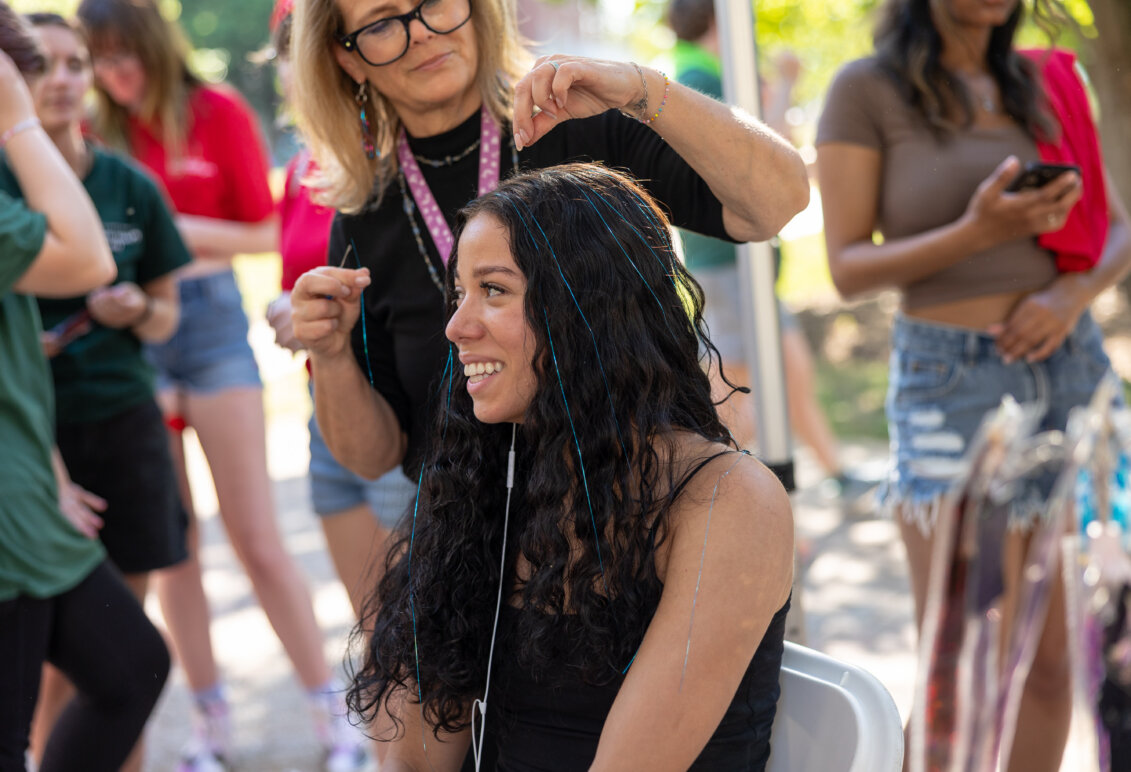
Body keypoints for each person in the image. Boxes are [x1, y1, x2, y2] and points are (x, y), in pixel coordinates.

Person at [287, 0, 810, 521]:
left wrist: (642, 89)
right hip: (478, 557)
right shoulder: (365, 218)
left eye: (433, 3)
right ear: (347, 57)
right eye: (381, 22)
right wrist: (330, 355)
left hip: (641, 515)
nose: (420, 31)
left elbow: (777, 202)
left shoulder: (577, 123)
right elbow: (373, 454)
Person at [348, 162, 794, 771]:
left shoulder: (729, 501)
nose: (455, 326)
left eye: (495, 290)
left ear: (589, 309)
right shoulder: (492, 483)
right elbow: (418, 760)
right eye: (460, 293)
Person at [816, 0, 1131, 769]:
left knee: (1058, 660)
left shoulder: (1041, 80)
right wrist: (976, 232)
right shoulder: (866, 88)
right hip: (948, 381)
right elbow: (847, 265)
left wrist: (1067, 296)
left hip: (1070, 371)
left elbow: (1118, 226)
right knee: (960, 664)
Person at [73, 1, 367, 769]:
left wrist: (165, 231)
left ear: (153, 44)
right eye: (96, 59)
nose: (113, 73)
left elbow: (261, 233)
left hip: (208, 331)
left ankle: (329, 714)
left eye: (122, 54)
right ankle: (208, 729)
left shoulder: (216, 111)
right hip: (134, 337)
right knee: (176, 553)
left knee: (257, 539)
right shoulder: (96, 129)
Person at [8, 13, 191, 771]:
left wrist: (138, 309)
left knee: (128, 661)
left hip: (99, 434)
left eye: (73, 63)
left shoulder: (128, 183)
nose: (57, 80)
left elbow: (165, 312)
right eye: (34, 66)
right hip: (29, 468)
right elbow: (78, 258)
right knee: (38, 693)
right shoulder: (6, 176)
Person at [666, 0, 872, 505]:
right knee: (736, 398)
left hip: (733, 263)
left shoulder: (704, 72)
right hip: (730, 263)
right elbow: (765, 152)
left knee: (781, 376)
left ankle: (828, 471)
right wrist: (785, 83)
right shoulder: (702, 76)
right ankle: (717, 494)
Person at [264, 0, 417, 624]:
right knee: (373, 627)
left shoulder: (392, 158)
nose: (296, 70)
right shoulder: (301, 167)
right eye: (286, 55)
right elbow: (290, 278)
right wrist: (287, 313)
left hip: (390, 396)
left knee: (418, 624)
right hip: (324, 399)